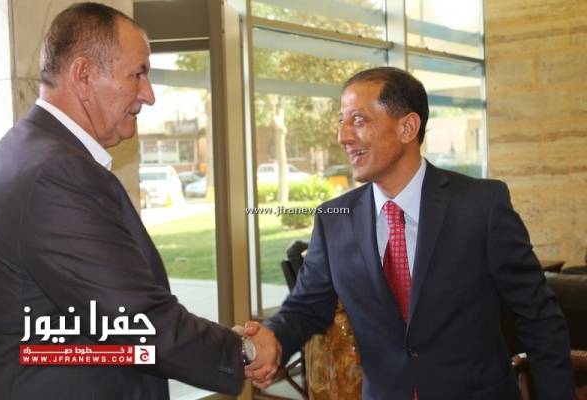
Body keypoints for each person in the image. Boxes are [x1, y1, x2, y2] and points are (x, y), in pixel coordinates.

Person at [0, 3, 276, 399]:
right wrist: (242, 351)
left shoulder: (18, 152)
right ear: (84, 76)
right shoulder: (58, 173)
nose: (149, 95)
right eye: (138, 74)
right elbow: (135, 319)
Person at [244, 67, 574, 399]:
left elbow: (538, 317)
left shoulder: (481, 205)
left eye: (358, 120)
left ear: (407, 127)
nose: (343, 136)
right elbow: (305, 308)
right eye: (341, 121)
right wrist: (271, 339)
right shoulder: (333, 219)